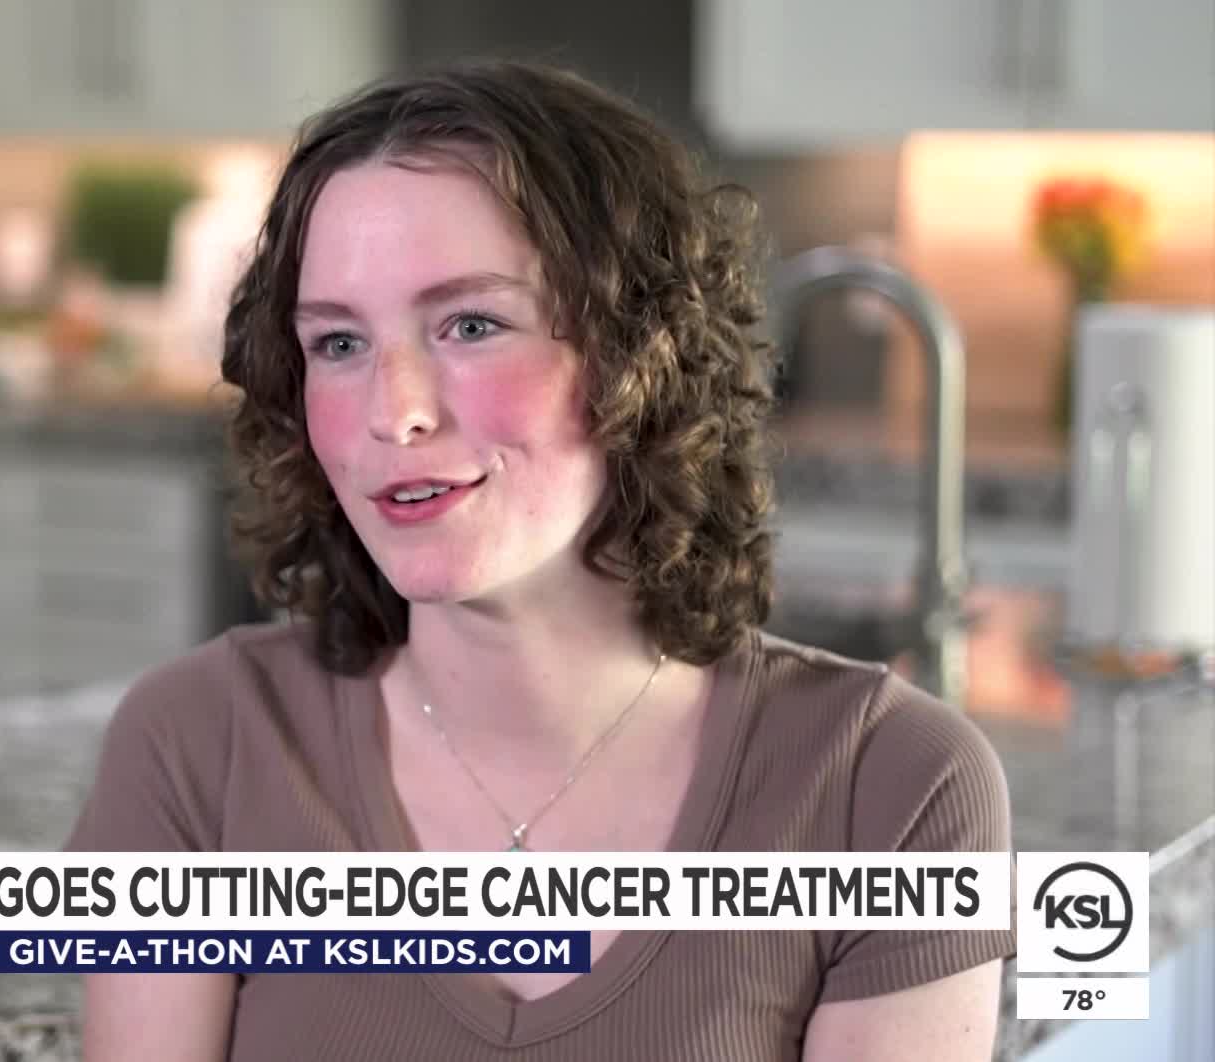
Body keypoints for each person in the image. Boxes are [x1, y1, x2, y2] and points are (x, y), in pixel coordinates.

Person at [65, 61, 1012, 1061]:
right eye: (338, 343)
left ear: (641, 356)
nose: (395, 412)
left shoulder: (887, 788)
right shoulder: (200, 748)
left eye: (471, 325)